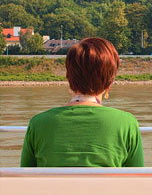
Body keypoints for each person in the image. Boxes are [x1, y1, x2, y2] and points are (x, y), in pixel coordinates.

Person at [20, 37, 144, 167]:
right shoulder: (127, 123)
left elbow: (24, 177)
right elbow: (137, 178)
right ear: (110, 82)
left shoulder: (38, 123)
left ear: (68, 77)